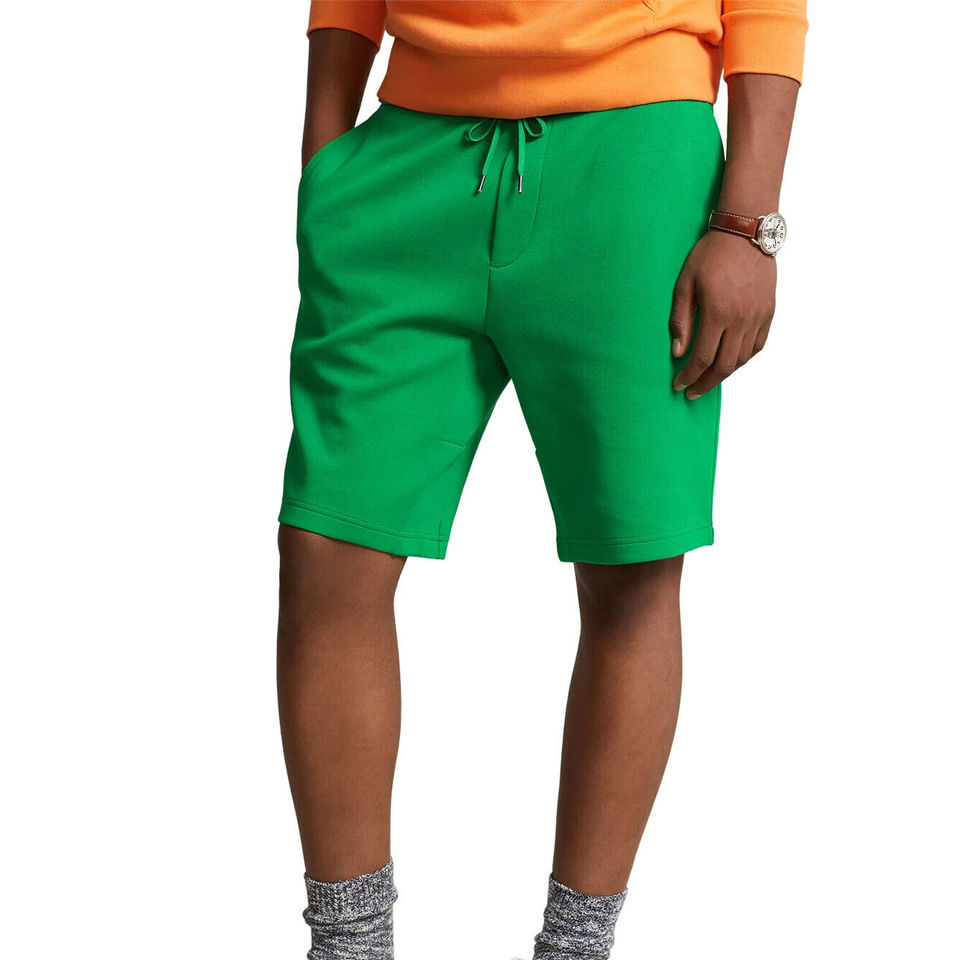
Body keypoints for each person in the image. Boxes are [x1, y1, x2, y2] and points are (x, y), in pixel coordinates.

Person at [277, 2, 807, 957]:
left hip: (636, 164)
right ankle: (347, 945)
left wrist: (746, 221)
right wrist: (324, 159)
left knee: (632, 565)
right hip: (407, 157)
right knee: (326, 549)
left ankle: (575, 948)